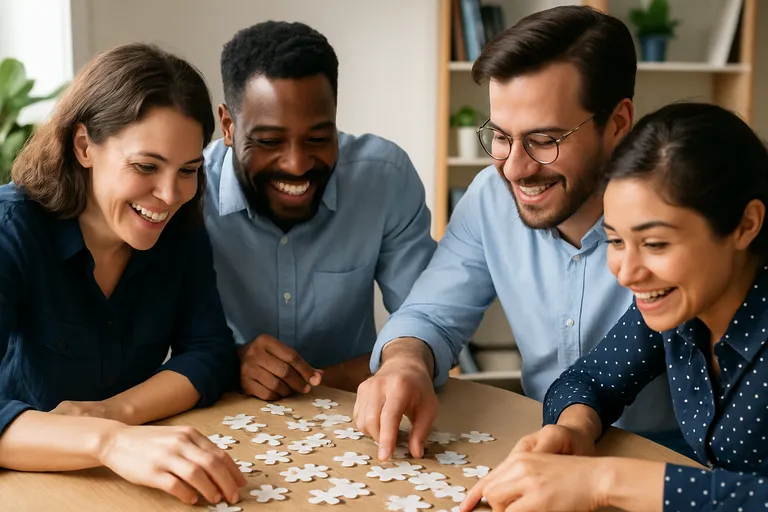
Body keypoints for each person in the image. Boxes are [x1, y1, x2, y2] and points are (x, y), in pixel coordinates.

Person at [356, 5, 683, 461]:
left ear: (618, 123)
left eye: (544, 140)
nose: (513, 168)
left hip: (672, 458)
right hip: (547, 447)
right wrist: (406, 361)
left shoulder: (680, 211)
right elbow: (431, 314)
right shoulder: (491, 196)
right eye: (501, 136)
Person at [461, 102, 768, 512]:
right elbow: (590, 379)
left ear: (746, 225)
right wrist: (573, 428)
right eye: (616, 241)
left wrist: (604, 481)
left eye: (655, 244)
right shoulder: (680, 307)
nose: (626, 273)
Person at [0, 43, 246, 506]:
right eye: (146, 166)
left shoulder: (180, 226)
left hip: (131, 478)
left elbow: (210, 353)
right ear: (83, 146)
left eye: (188, 170)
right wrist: (109, 441)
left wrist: (114, 413)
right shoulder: (11, 230)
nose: (170, 195)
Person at [204, 21, 437, 400]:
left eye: (318, 138)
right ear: (228, 125)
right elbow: (160, 339)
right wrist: (229, 361)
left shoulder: (385, 178)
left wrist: (402, 361)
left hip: (354, 405)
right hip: (221, 407)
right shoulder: (188, 192)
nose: (297, 165)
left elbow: (429, 318)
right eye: (269, 141)